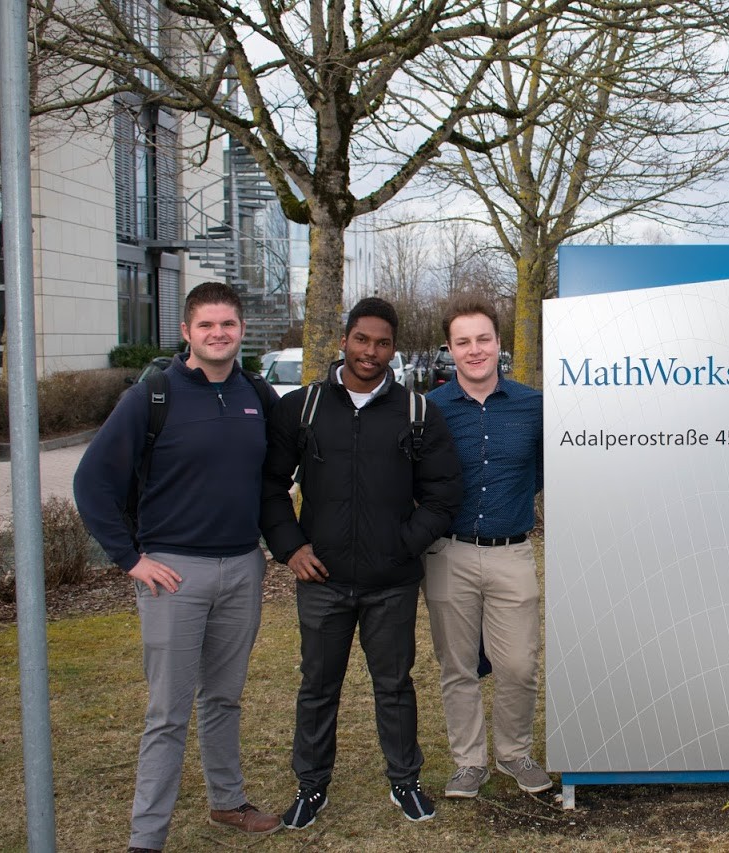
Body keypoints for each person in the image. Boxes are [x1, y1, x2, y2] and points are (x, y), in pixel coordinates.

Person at [73, 281, 281, 852]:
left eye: (229, 325)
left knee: (225, 696)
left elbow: (271, 481)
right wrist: (131, 559)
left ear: (242, 331)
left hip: (242, 568)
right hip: (174, 575)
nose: (219, 334)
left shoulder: (256, 397)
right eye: (207, 325)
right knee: (168, 711)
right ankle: (147, 836)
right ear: (186, 332)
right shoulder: (153, 396)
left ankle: (228, 801)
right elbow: (92, 481)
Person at [261, 297, 462, 827]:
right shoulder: (302, 408)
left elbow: (444, 493)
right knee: (317, 686)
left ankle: (405, 782)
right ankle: (310, 786)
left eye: (383, 343)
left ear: (394, 349)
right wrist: (291, 547)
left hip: (390, 583)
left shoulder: (418, 412)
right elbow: (270, 487)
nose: (371, 352)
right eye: (362, 339)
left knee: (394, 685)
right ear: (344, 340)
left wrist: (404, 545)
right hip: (322, 581)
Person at [423, 293, 550, 798]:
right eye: (462, 342)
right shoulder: (429, 409)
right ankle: (469, 763)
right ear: (449, 349)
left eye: (483, 339)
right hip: (447, 553)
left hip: (511, 552)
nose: (474, 350)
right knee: (457, 666)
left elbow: (544, 469)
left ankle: (515, 753)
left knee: (519, 663)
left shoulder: (533, 405)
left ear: (500, 344)